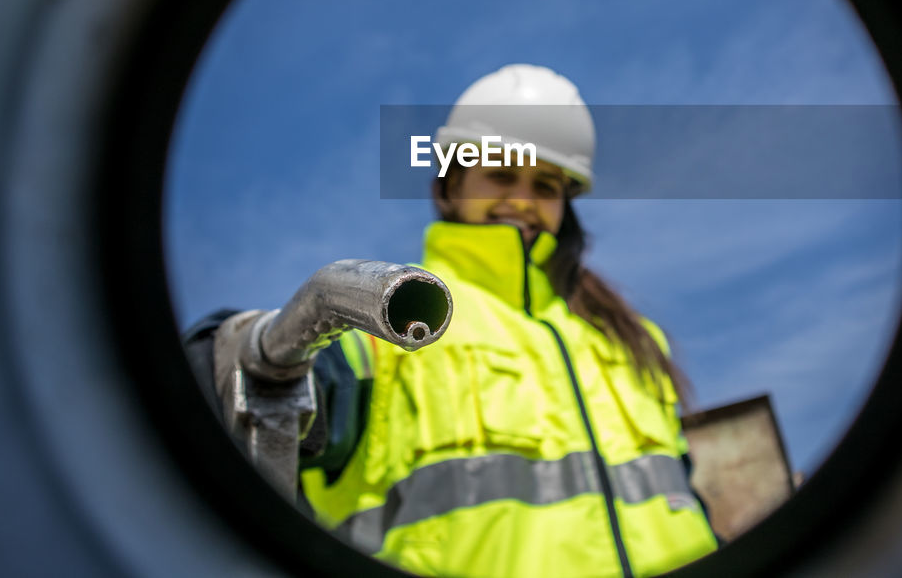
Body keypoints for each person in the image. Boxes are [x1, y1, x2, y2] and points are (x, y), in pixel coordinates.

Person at [203, 64, 719, 578]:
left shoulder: (631, 340)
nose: (521, 200)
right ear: (449, 186)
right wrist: (231, 355)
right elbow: (267, 386)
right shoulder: (392, 318)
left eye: (544, 185)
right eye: (500, 173)